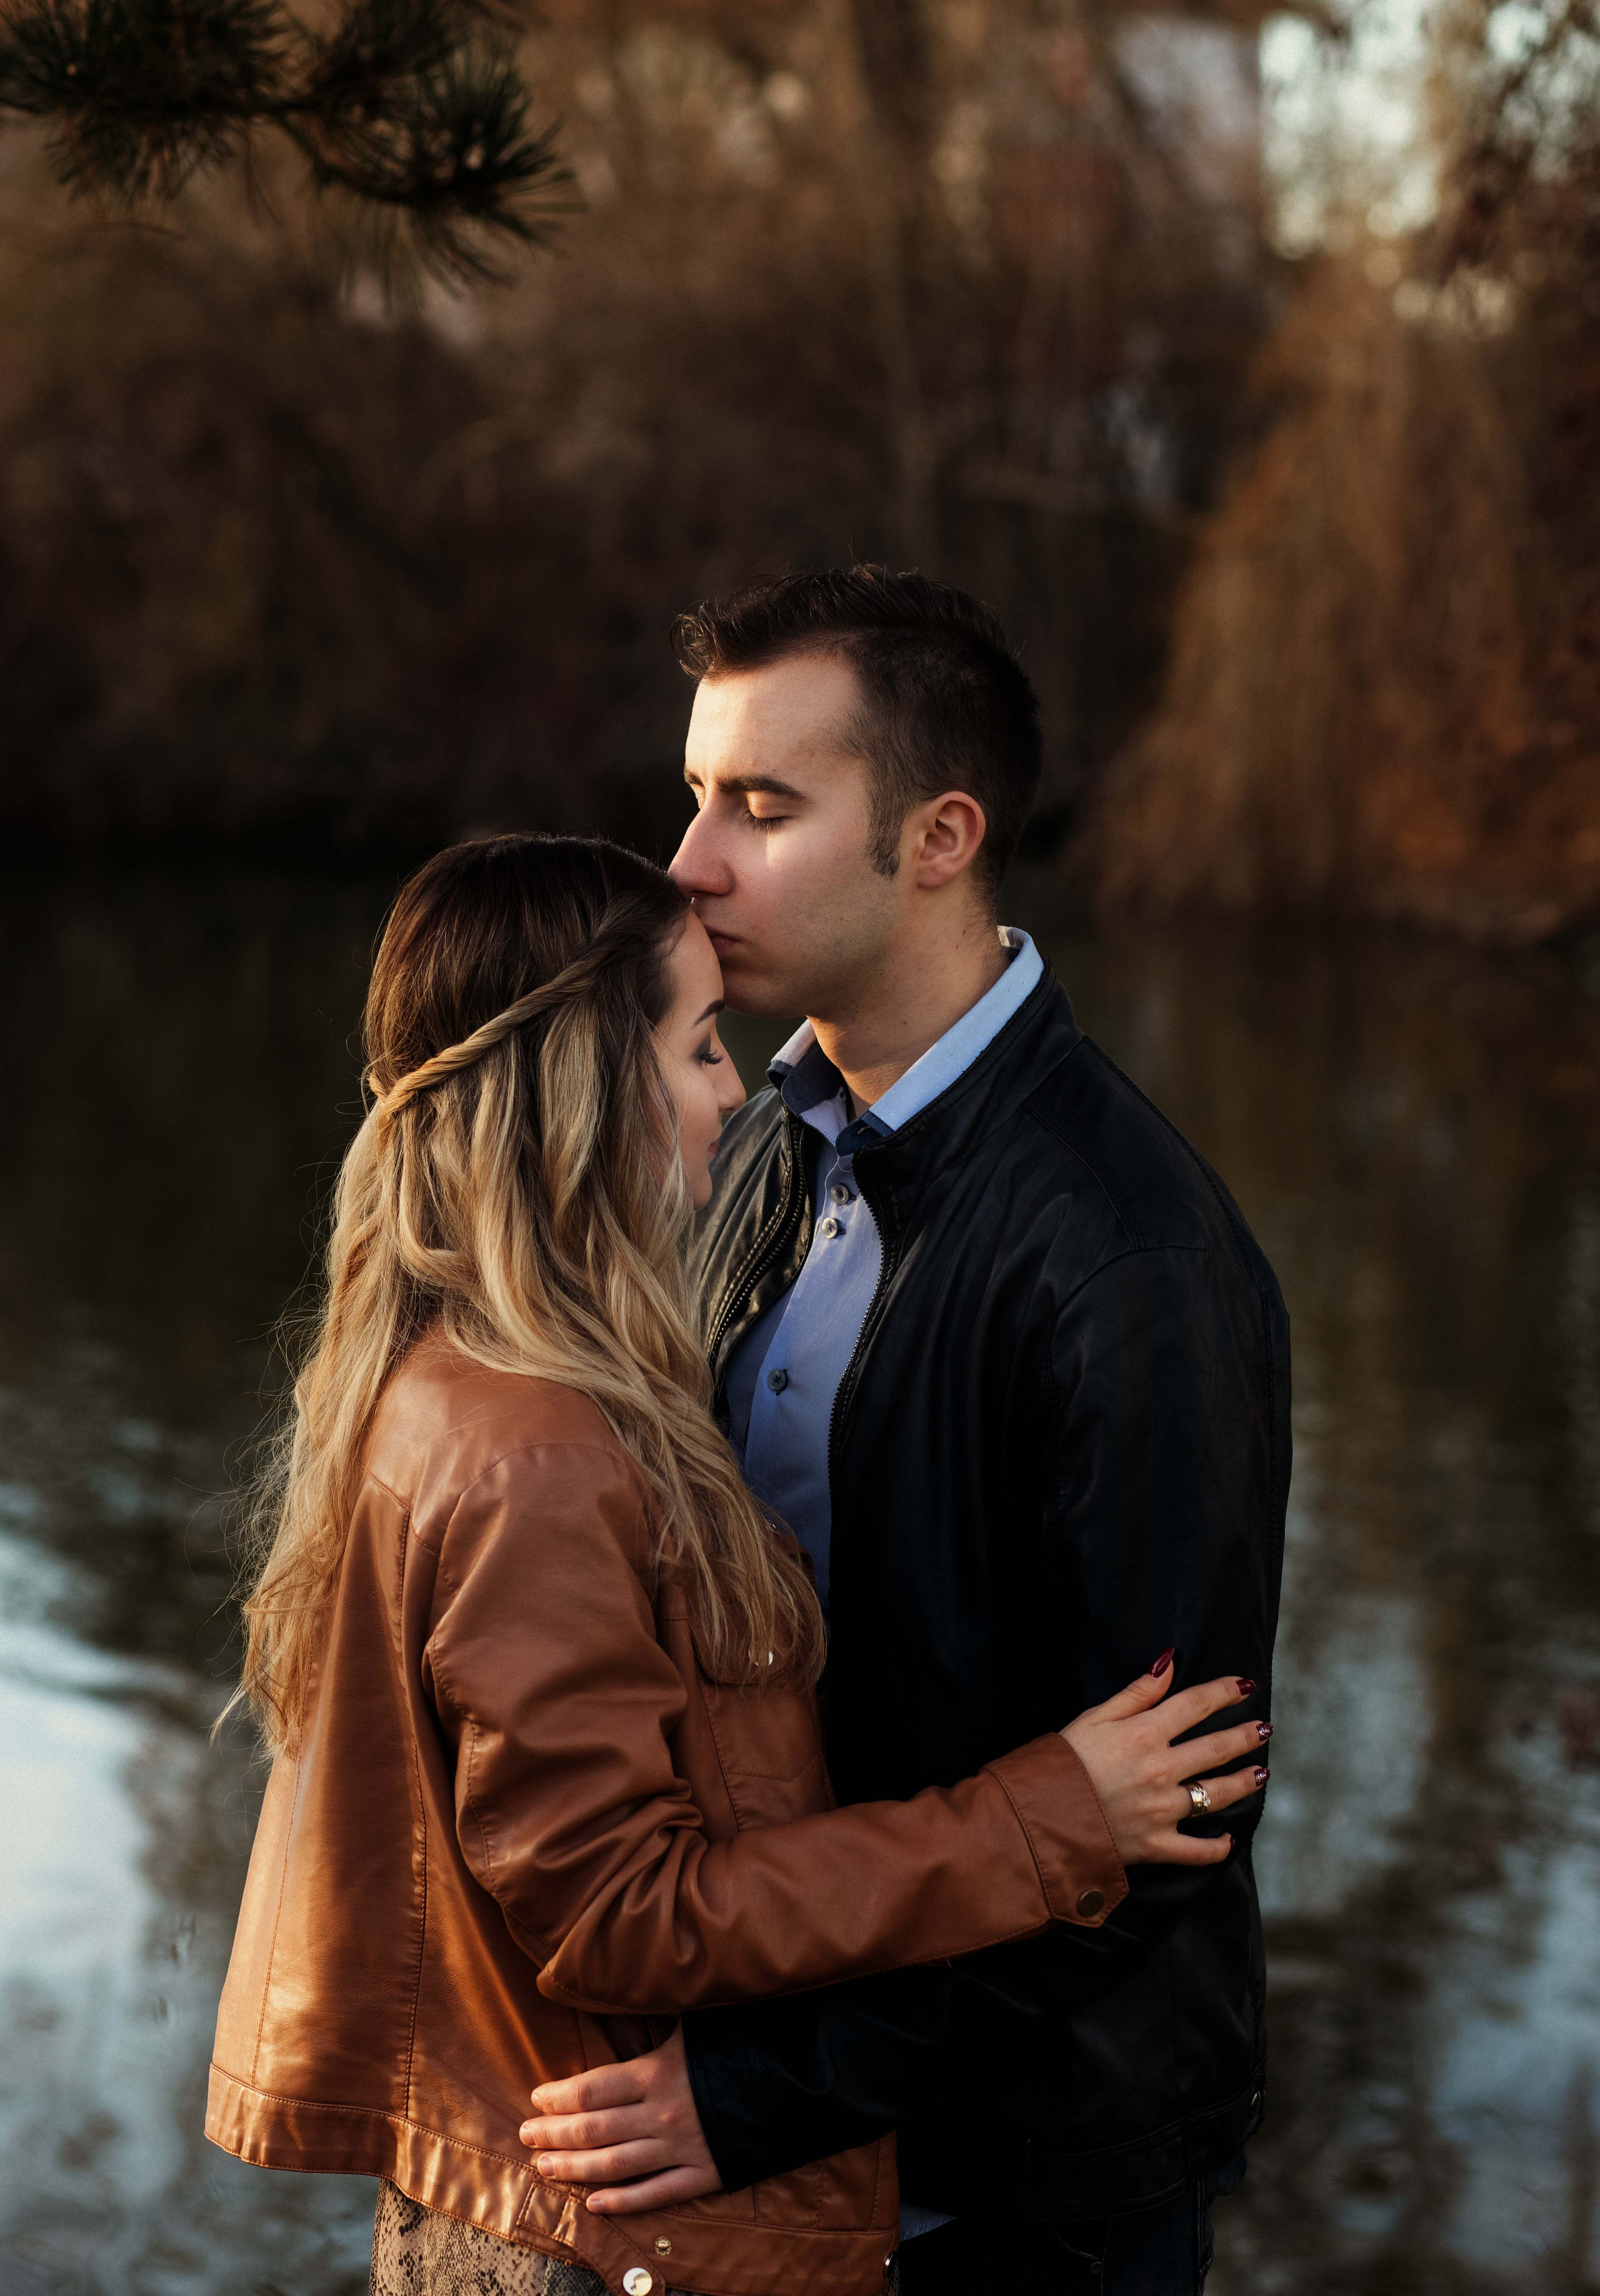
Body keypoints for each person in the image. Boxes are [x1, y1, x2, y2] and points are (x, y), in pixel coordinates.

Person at [206, 833, 1267, 2296]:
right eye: (699, 1047)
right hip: (596, 2227)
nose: (732, 1087)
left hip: (574, 2195)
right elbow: (612, 1909)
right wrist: (1047, 1817)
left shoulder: (482, 1375)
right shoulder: (531, 1447)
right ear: (580, 1088)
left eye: (758, 803)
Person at [520, 569, 1291, 2295]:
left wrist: (767, 2093)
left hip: (1013, 2206)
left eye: (763, 807)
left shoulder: (1132, 1258)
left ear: (942, 837)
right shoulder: (750, 1137)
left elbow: (1168, 1824)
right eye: (698, 793)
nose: (690, 863)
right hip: (753, 2141)